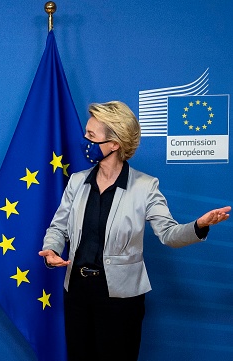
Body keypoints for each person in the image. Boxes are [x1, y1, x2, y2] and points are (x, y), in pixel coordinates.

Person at [38, 101, 230, 361]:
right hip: (77, 292)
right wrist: (51, 248)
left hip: (121, 299)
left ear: (115, 143)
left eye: (91, 136)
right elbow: (58, 226)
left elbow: (169, 234)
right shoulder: (76, 181)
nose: (85, 140)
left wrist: (199, 226)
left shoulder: (145, 186)